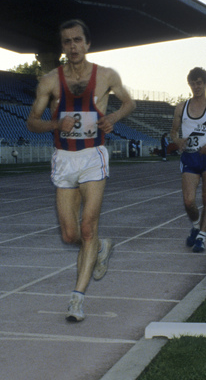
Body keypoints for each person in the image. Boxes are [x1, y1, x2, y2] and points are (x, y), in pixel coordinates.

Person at [27, 19, 136, 322]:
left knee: (87, 227)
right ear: (62, 46)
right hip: (64, 158)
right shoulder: (49, 81)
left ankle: (77, 298)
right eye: (67, 41)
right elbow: (31, 121)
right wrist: (53, 125)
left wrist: (113, 116)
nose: (72, 46)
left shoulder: (106, 76)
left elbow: (130, 102)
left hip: (93, 156)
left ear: (88, 44)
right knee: (69, 233)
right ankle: (100, 246)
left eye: (77, 40)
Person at [169, 67, 206, 253]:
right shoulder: (181, 108)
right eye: (193, 83)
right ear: (189, 85)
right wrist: (178, 140)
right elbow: (173, 132)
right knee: (188, 201)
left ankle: (201, 238)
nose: (196, 87)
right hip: (190, 157)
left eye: (199, 83)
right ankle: (195, 226)